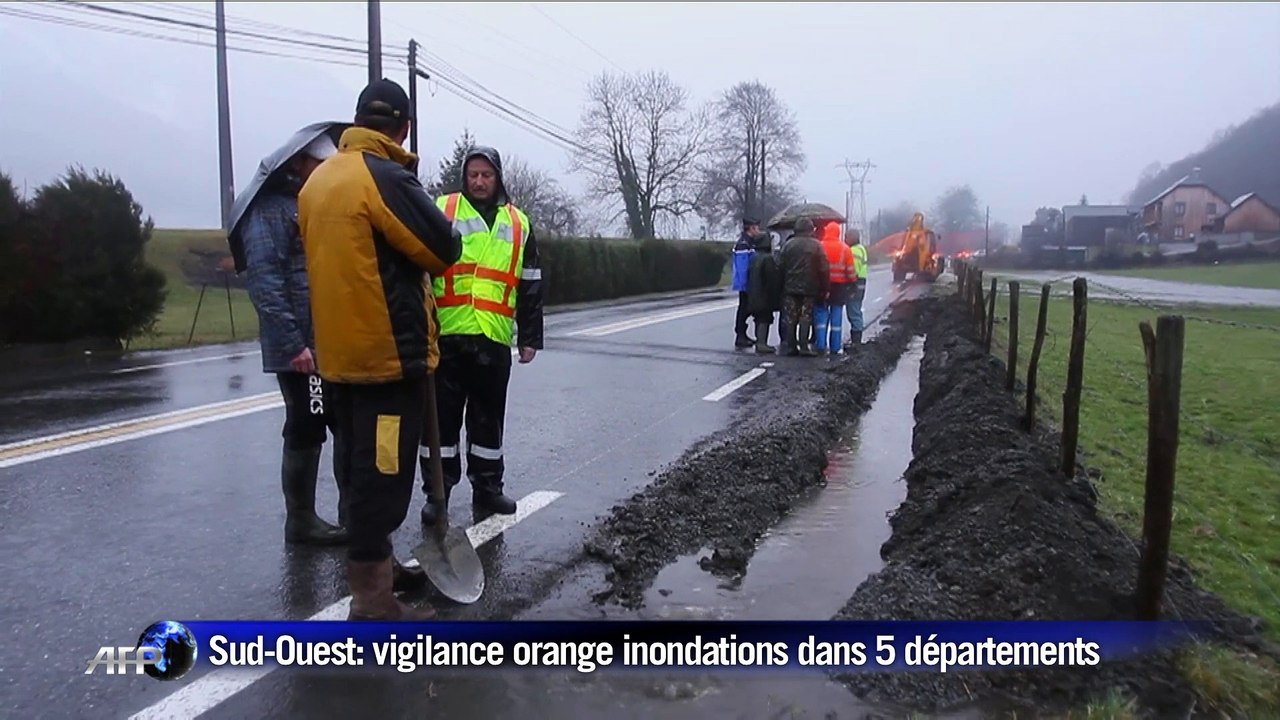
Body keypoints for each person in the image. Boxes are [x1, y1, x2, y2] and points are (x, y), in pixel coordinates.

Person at [298, 78, 462, 621]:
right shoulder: (384, 177)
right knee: (384, 475)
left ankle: (380, 567)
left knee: (354, 467)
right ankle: (372, 601)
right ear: (403, 128)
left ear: (357, 120)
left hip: (337, 356)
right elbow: (443, 247)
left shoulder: (319, 180)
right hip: (386, 360)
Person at [418, 144, 544, 527]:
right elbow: (418, 267)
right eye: (473, 174)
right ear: (464, 177)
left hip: (493, 336)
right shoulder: (442, 209)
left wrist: (530, 336)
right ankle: (437, 494)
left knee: (488, 419)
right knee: (440, 422)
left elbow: (531, 282)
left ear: (498, 178)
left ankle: (488, 488)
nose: (479, 181)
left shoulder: (519, 223)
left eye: (486, 175)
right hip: (447, 334)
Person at [238, 132, 348, 546]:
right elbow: (265, 280)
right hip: (303, 349)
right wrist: (293, 344)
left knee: (342, 422)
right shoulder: (269, 211)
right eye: (320, 167)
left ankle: (351, 516)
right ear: (300, 164)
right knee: (308, 422)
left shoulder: (314, 204)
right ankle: (300, 520)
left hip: (330, 341)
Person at [778, 218, 829, 357]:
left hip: (790, 287)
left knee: (791, 317)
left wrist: (781, 286)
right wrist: (825, 288)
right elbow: (824, 268)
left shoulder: (788, 245)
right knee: (805, 316)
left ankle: (791, 346)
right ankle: (804, 347)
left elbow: (780, 266)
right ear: (810, 229)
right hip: (809, 287)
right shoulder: (816, 245)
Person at [814, 221, 858, 355]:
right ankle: (835, 347)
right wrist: (853, 282)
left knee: (821, 316)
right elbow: (850, 271)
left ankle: (820, 345)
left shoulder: (819, 246)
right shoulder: (845, 249)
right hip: (839, 287)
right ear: (838, 233)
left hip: (821, 286)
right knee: (836, 318)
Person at [745, 228, 783, 354]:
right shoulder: (767, 259)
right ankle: (762, 343)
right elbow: (772, 279)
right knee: (765, 318)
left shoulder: (754, 258)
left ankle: (759, 342)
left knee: (758, 318)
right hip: (764, 295)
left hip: (754, 294)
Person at [730, 218, 761, 348]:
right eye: (757, 228)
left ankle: (743, 334)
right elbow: (743, 267)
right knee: (744, 309)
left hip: (747, 283)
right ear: (751, 228)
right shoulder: (744, 244)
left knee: (746, 308)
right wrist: (746, 284)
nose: (758, 230)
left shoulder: (749, 242)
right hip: (746, 284)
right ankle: (740, 335)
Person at [845, 228, 869, 349]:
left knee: (853, 312)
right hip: (860, 284)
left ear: (853, 238)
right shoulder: (861, 249)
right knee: (856, 310)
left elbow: (852, 270)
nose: (845, 240)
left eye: (847, 237)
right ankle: (856, 339)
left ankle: (856, 341)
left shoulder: (853, 251)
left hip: (854, 285)